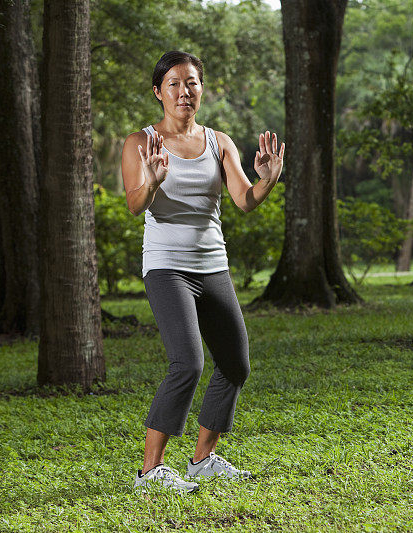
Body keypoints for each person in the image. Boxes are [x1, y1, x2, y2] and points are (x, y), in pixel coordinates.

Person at [120, 51, 284, 494]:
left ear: (201, 89)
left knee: (235, 363)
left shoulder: (219, 142)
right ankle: (150, 470)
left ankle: (202, 459)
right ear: (159, 92)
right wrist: (151, 181)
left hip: (213, 265)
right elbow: (136, 204)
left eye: (191, 83)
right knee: (187, 363)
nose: (183, 92)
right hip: (167, 267)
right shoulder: (140, 142)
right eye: (173, 84)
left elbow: (244, 201)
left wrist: (266, 179)